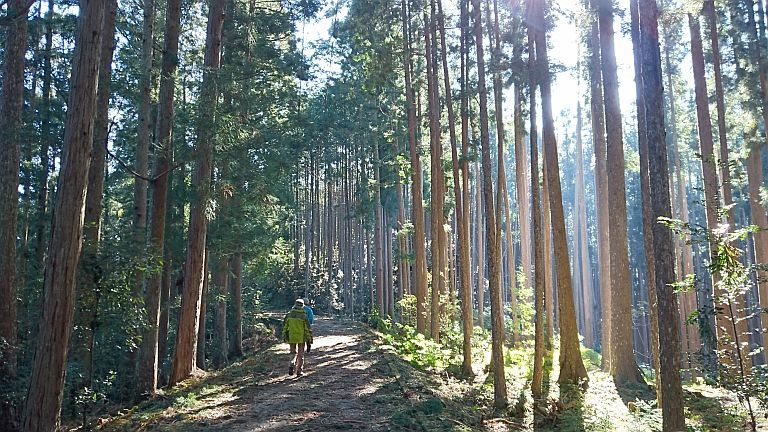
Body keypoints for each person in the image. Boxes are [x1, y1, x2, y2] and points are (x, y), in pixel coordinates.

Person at [282, 299, 312, 376]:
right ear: (302, 306)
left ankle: (292, 364)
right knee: (300, 355)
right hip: (301, 337)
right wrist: (309, 341)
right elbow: (307, 329)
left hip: (291, 337)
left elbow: (285, 326)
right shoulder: (304, 316)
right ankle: (299, 371)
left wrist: (284, 336)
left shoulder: (289, 314)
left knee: (292, 353)